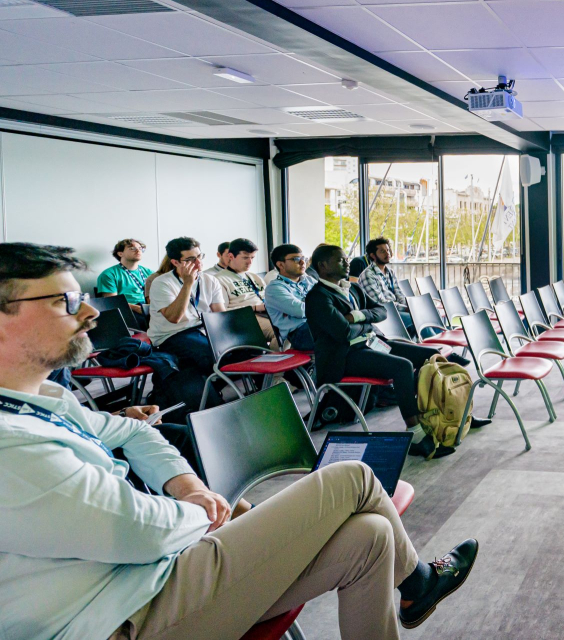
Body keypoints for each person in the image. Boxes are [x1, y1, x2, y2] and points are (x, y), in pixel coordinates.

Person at [0, 242, 478, 640]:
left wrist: (186, 484)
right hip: (114, 618)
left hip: (145, 577)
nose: (88, 312)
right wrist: (210, 510)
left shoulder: (44, 397)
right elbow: (141, 533)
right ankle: (419, 581)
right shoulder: (11, 448)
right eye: (64, 302)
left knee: (370, 537)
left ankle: (416, 587)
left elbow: (128, 430)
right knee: (351, 479)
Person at [305, 245, 488, 457]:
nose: (347, 263)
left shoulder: (352, 288)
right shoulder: (317, 297)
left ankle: (458, 412)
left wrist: (357, 317)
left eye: (346, 259)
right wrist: (364, 321)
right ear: (323, 265)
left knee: (430, 354)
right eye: (340, 260)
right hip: (343, 357)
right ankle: (416, 434)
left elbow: (381, 311)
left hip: (370, 342)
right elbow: (342, 332)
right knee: (402, 367)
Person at [148, 237, 226, 374]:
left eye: (199, 256)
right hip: (172, 334)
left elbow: (220, 315)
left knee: (244, 349)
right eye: (190, 259)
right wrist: (188, 284)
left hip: (203, 329)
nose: (198, 262)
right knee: (210, 354)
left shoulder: (210, 280)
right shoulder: (161, 283)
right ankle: (207, 391)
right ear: (175, 262)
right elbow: (174, 318)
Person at [214, 238, 277, 347]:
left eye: (252, 257)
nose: (250, 262)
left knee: (296, 326)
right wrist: (255, 307)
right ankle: (275, 362)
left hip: (266, 313)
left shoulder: (254, 276)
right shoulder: (219, 280)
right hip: (243, 318)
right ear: (231, 256)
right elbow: (222, 312)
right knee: (279, 332)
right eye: (245, 258)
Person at [264, 243, 317, 351]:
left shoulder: (309, 280)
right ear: (280, 265)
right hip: (299, 334)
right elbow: (301, 310)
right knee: (342, 332)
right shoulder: (274, 288)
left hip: (317, 324)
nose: (303, 262)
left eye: (303, 258)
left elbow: (331, 298)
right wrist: (327, 307)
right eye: (296, 259)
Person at [359, 237, 415, 332]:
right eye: (382, 251)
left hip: (396, 311)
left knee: (423, 314)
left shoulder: (390, 272)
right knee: (415, 319)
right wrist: (406, 309)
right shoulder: (368, 275)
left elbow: (399, 294)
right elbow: (381, 304)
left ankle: (431, 343)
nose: (387, 253)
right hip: (383, 316)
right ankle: (433, 344)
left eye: (387, 250)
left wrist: (409, 307)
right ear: (373, 255)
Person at [96, 238, 153, 328]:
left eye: (140, 248)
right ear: (120, 253)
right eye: (132, 248)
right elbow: (112, 302)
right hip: (129, 309)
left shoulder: (150, 273)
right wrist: (137, 308)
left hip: (149, 307)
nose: (138, 251)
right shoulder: (109, 274)